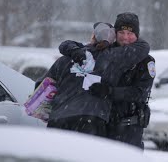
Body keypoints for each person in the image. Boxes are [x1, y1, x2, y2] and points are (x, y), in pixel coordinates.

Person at [59, 12, 155, 149]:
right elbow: (65, 44)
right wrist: (74, 51)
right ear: (115, 33)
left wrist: (110, 92)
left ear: (137, 35)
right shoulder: (105, 50)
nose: (125, 37)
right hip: (100, 124)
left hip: (129, 127)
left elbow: (140, 92)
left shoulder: (145, 61)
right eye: (121, 32)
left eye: (130, 33)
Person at [38, 21, 150, 137]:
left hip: (58, 119)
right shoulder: (114, 60)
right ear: (113, 40)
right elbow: (143, 48)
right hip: (92, 121)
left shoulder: (66, 58)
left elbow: (41, 86)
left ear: (93, 36)